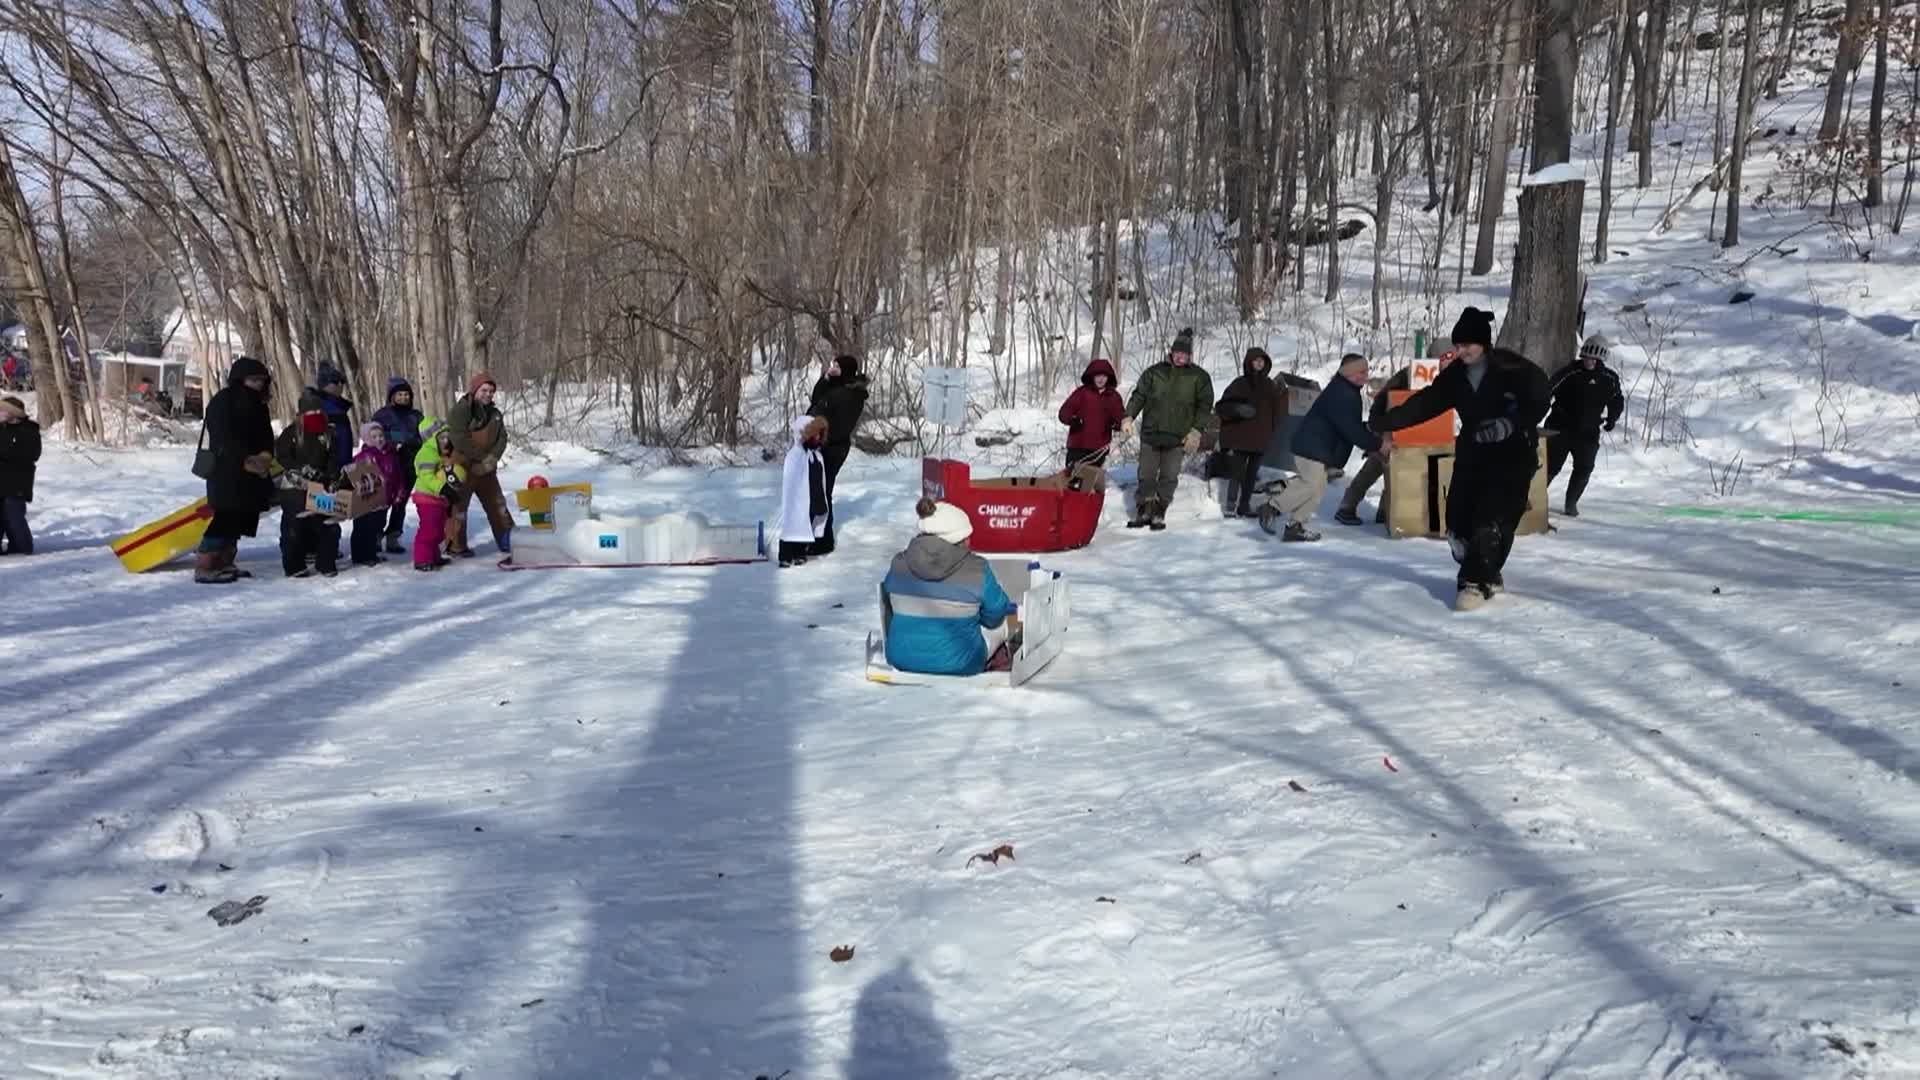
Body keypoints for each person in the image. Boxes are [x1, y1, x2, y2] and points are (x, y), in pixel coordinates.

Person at [1380, 306, 1551, 611]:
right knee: (1458, 524)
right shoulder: (1455, 376)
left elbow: (1540, 396)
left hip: (1512, 455)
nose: (1462, 351)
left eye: (1468, 344)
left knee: (1492, 518)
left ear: (1483, 343)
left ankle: (1472, 583)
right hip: (1473, 454)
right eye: (1458, 346)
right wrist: (1386, 422)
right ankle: (1487, 570)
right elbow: (1426, 404)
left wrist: (1511, 424)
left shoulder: (1511, 367)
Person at [880, 499, 1015, 677]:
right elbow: (995, 615)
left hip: (901, 660)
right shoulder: (977, 568)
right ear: (958, 539)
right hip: (962, 664)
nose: (970, 541)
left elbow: (888, 610)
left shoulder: (898, 564)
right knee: (1000, 623)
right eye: (967, 537)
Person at [1336, 343, 1456, 526]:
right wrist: (1379, 427)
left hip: (1407, 428)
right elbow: (1390, 398)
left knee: (1396, 467)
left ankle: (1385, 511)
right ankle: (1352, 506)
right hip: (1391, 424)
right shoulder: (1419, 373)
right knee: (1382, 464)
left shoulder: (1437, 376)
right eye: (1450, 357)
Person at [1275, 353, 1388, 542]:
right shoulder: (1341, 393)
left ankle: (1295, 525)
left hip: (1318, 448)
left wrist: (1367, 428)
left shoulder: (1347, 390)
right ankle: (1272, 507)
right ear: (1348, 373)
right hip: (1311, 447)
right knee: (1311, 484)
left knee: (1317, 488)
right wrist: (1378, 444)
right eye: (1360, 372)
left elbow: (1348, 425)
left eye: (1366, 371)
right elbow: (1349, 429)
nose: (1365, 376)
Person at [194, 356, 276, 584]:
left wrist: (265, 456)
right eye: (253, 379)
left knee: (240, 518)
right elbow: (223, 437)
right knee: (224, 517)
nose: (258, 384)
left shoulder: (259, 404)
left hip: (252, 473)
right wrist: (245, 459)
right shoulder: (223, 401)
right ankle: (206, 565)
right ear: (240, 379)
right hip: (228, 471)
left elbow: (266, 435)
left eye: (261, 380)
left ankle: (225, 562)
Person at [1123, 327, 1214, 530]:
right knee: (1146, 474)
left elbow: (1205, 405)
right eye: (1178, 353)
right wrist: (1128, 417)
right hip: (1151, 434)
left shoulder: (1199, 377)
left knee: (1169, 475)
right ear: (1171, 352)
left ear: (1190, 356)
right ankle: (1143, 509)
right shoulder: (1154, 372)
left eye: (1185, 354)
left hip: (1178, 437)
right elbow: (1139, 396)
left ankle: (1159, 510)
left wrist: (1196, 431)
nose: (1180, 357)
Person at [1545, 333, 1626, 517]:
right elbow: (1547, 390)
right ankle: (1533, 500)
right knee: (1551, 466)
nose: (1589, 362)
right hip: (1560, 427)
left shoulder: (1609, 378)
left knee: (1584, 467)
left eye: (1594, 359)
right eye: (1587, 357)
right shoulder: (1570, 372)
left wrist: (1612, 418)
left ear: (1601, 359)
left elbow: (1617, 400)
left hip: (1588, 431)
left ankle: (1571, 502)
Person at [446, 371, 514, 564]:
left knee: (497, 505)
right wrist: (482, 457)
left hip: (486, 470)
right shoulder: (461, 410)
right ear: (475, 390)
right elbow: (459, 438)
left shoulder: (495, 414)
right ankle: (456, 545)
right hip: (462, 467)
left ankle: (508, 540)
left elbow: (502, 438)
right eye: (484, 390)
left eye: (491, 391)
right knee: (458, 508)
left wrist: (492, 459)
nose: (488, 394)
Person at [806, 354, 869, 556]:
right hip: (837, 446)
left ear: (846, 370)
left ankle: (823, 540)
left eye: (837, 366)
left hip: (829, 447)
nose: (833, 368)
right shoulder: (850, 391)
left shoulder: (842, 395)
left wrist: (826, 383)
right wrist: (826, 378)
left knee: (822, 492)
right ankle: (819, 536)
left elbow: (815, 407)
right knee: (823, 490)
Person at [1215, 347, 1288, 517]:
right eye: (1256, 360)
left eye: (1262, 360)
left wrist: (1273, 429)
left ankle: (1244, 506)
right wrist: (1238, 409)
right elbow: (1221, 407)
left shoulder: (1270, 385)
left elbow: (1277, 411)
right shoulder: (1239, 383)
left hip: (1260, 439)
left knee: (1251, 475)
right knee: (1236, 473)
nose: (1259, 363)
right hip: (1240, 438)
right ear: (1249, 362)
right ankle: (1230, 507)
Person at [273, 406, 344, 578]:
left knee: (329, 524)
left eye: (318, 412)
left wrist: (331, 475)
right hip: (294, 487)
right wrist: (300, 470)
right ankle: (294, 565)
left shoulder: (328, 433)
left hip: (321, 486)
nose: (315, 416)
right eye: (311, 413)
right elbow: (282, 456)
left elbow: (334, 457)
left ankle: (326, 562)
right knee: (295, 527)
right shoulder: (291, 433)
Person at [372, 377, 424, 553]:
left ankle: (393, 537)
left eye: (406, 394)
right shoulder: (382, 415)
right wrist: (393, 442)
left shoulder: (416, 416)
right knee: (382, 502)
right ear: (391, 396)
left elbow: (423, 437)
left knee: (400, 503)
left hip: (409, 466)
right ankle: (376, 536)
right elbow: (373, 437)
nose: (403, 398)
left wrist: (412, 442)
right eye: (399, 394)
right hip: (387, 467)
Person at [410, 417, 464, 572]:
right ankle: (421, 560)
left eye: (447, 436)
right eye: (441, 437)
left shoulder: (443, 453)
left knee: (439, 530)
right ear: (431, 439)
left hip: (439, 499)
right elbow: (427, 477)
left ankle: (433, 556)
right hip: (426, 498)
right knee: (429, 529)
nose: (445, 440)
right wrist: (443, 488)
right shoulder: (426, 454)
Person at [777, 416, 830, 568]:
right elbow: (790, 482)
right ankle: (786, 555)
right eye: (815, 434)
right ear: (804, 435)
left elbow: (821, 477)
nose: (818, 437)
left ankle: (799, 552)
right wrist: (795, 498)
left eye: (820, 434)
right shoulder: (795, 456)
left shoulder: (816, 455)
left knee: (807, 523)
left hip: (814, 496)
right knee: (793, 523)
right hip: (798, 498)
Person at [1057, 357, 1125, 470]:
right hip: (1078, 446)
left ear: (1109, 377)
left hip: (1098, 450)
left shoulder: (1114, 397)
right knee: (1074, 482)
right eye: (1097, 375)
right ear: (1092, 376)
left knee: (1091, 483)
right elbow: (1064, 412)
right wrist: (1072, 420)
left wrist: (1116, 425)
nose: (1101, 379)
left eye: (1104, 376)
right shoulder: (1082, 393)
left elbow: (1122, 420)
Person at [348, 421, 400, 567]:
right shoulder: (363, 456)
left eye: (380, 435)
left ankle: (370, 553)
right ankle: (361, 555)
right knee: (363, 528)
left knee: (376, 527)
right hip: (366, 500)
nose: (378, 439)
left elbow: (396, 474)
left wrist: (398, 490)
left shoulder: (390, 454)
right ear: (366, 440)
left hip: (383, 499)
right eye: (374, 437)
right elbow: (356, 476)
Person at [0, 395, 40, 555]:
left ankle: (23, 548)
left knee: (13, 516)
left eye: (2, 410)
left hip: (17, 482)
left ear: (12, 413)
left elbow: (31, 454)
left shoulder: (28, 430)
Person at [305, 363, 356, 470]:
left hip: (344, 467)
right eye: (336, 381)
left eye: (342, 382)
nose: (341, 385)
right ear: (325, 384)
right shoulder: (314, 405)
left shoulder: (338, 405)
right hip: (327, 470)